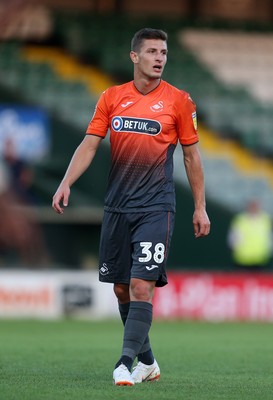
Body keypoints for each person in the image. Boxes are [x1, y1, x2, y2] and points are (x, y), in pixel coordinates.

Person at [52, 28, 210, 386]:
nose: (159, 58)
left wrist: (199, 207)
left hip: (156, 207)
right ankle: (149, 362)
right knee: (121, 288)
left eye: (164, 52)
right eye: (152, 51)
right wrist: (65, 182)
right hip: (118, 207)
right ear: (134, 56)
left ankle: (124, 363)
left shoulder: (179, 101)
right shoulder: (111, 97)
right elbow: (90, 144)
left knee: (141, 286)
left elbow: (191, 156)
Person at [227, 199, 272, 270]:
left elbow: (269, 237)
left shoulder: (265, 219)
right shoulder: (240, 219)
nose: (254, 207)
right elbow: (233, 238)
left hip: (261, 259)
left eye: (256, 205)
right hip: (242, 259)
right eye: (252, 205)